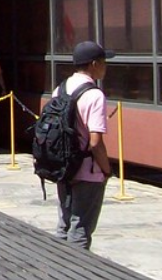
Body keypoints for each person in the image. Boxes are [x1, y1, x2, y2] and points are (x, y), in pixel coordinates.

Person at [55, 41, 115, 250]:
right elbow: (95, 142)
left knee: (64, 226)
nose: (106, 66)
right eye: (104, 61)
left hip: (62, 167)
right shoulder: (94, 95)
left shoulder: (60, 89)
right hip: (88, 172)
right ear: (93, 64)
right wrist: (106, 170)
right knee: (81, 230)